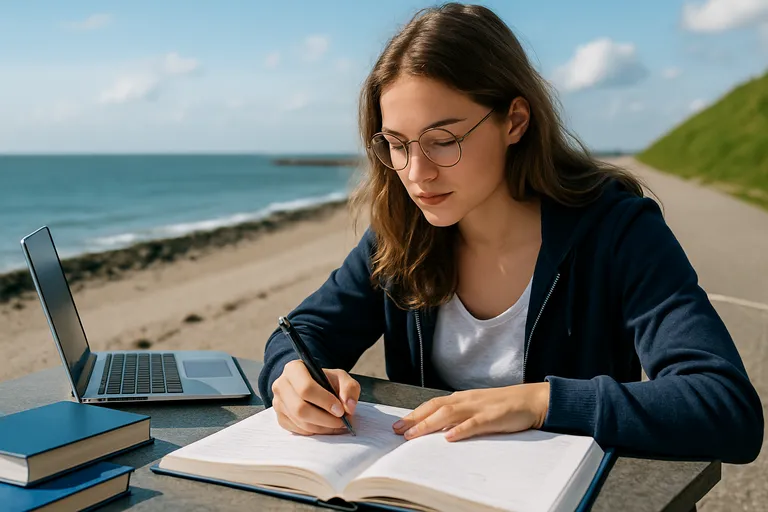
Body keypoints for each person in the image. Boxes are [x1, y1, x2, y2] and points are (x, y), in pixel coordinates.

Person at [257, 2, 763, 464]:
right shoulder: (402, 234)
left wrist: (539, 402)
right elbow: (302, 334)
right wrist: (291, 378)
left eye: (443, 140)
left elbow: (723, 407)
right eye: (396, 143)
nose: (415, 173)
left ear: (515, 121)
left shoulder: (618, 230)